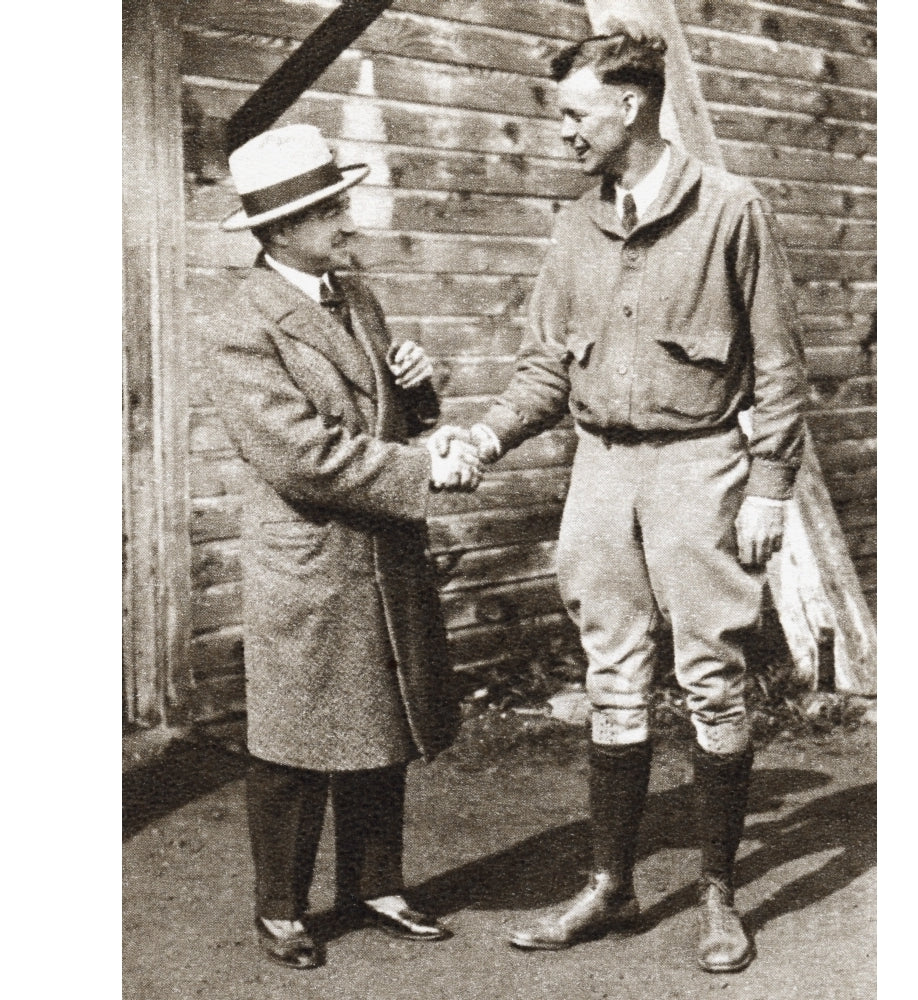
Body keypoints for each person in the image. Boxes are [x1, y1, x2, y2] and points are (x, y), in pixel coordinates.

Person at [456, 34, 808, 973]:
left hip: (702, 467)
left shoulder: (733, 210)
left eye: (576, 112)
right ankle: (611, 886)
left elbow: (777, 367)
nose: (563, 130)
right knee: (612, 676)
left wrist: (770, 486)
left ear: (632, 108)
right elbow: (544, 365)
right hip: (601, 468)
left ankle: (718, 896)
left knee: (711, 679)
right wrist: (487, 436)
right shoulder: (576, 226)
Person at [206, 123, 482, 969]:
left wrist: (422, 395)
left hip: (381, 546)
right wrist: (425, 468)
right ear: (280, 226)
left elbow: (387, 418)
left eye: (341, 203)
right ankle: (281, 907)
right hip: (311, 557)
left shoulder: (353, 294)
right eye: (329, 210)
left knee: (380, 720)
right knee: (294, 738)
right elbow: (303, 457)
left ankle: (375, 883)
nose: (347, 222)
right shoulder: (242, 324)